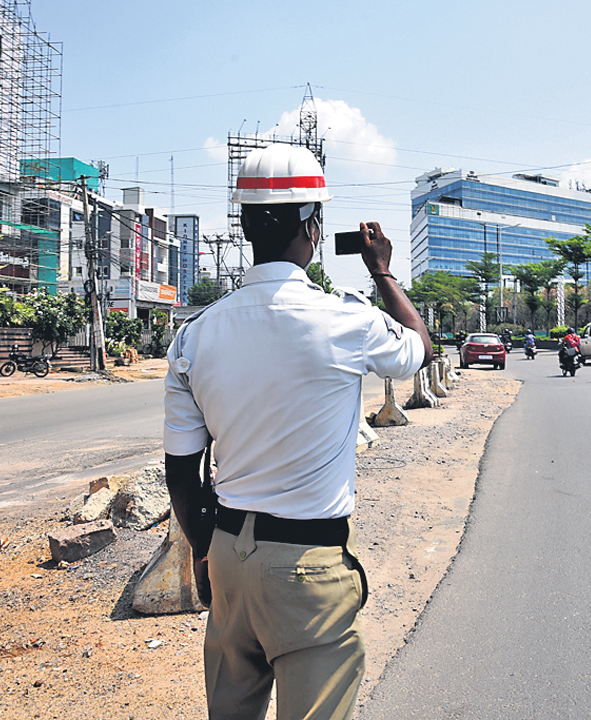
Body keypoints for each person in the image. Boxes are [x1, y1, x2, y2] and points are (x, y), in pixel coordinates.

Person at [163, 144, 432, 720]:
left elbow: (181, 471)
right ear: (314, 228)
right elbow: (418, 351)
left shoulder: (193, 337)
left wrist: (208, 554)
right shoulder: (347, 320)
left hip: (229, 555)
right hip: (308, 566)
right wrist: (380, 269)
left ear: (243, 224)